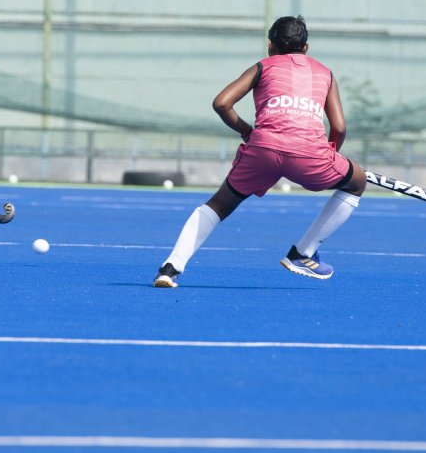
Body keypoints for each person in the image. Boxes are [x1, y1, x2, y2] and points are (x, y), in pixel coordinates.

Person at [153, 15, 368, 288]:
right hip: (311, 154)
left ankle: (170, 269)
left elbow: (221, 103)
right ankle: (303, 253)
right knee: (357, 182)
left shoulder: (262, 67)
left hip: (262, 149)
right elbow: (338, 126)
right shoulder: (325, 73)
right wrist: (330, 153)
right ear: (306, 48)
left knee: (218, 205)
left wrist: (246, 131)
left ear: (270, 45)